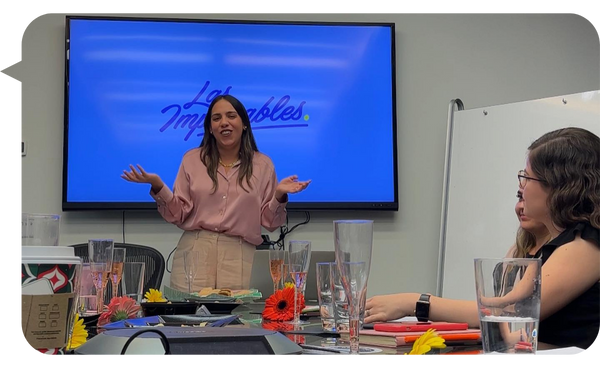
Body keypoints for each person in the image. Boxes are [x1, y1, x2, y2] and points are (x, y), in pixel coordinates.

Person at [365, 127, 600, 350]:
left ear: (558, 187)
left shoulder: (585, 245)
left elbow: (506, 309)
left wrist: (415, 302)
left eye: (527, 178)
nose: (522, 188)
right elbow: (507, 322)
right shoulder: (559, 244)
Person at [121, 94, 311, 292]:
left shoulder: (263, 165)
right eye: (217, 118)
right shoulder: (192, 159)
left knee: (238, 321)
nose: (224, 123)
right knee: (188, 319)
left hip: (240, 255)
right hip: (195, 250)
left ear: (244, 123)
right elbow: (177, 214)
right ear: (210, 128)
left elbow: (271, 223)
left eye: (231, 116)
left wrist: (279, 195)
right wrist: (158, 186)